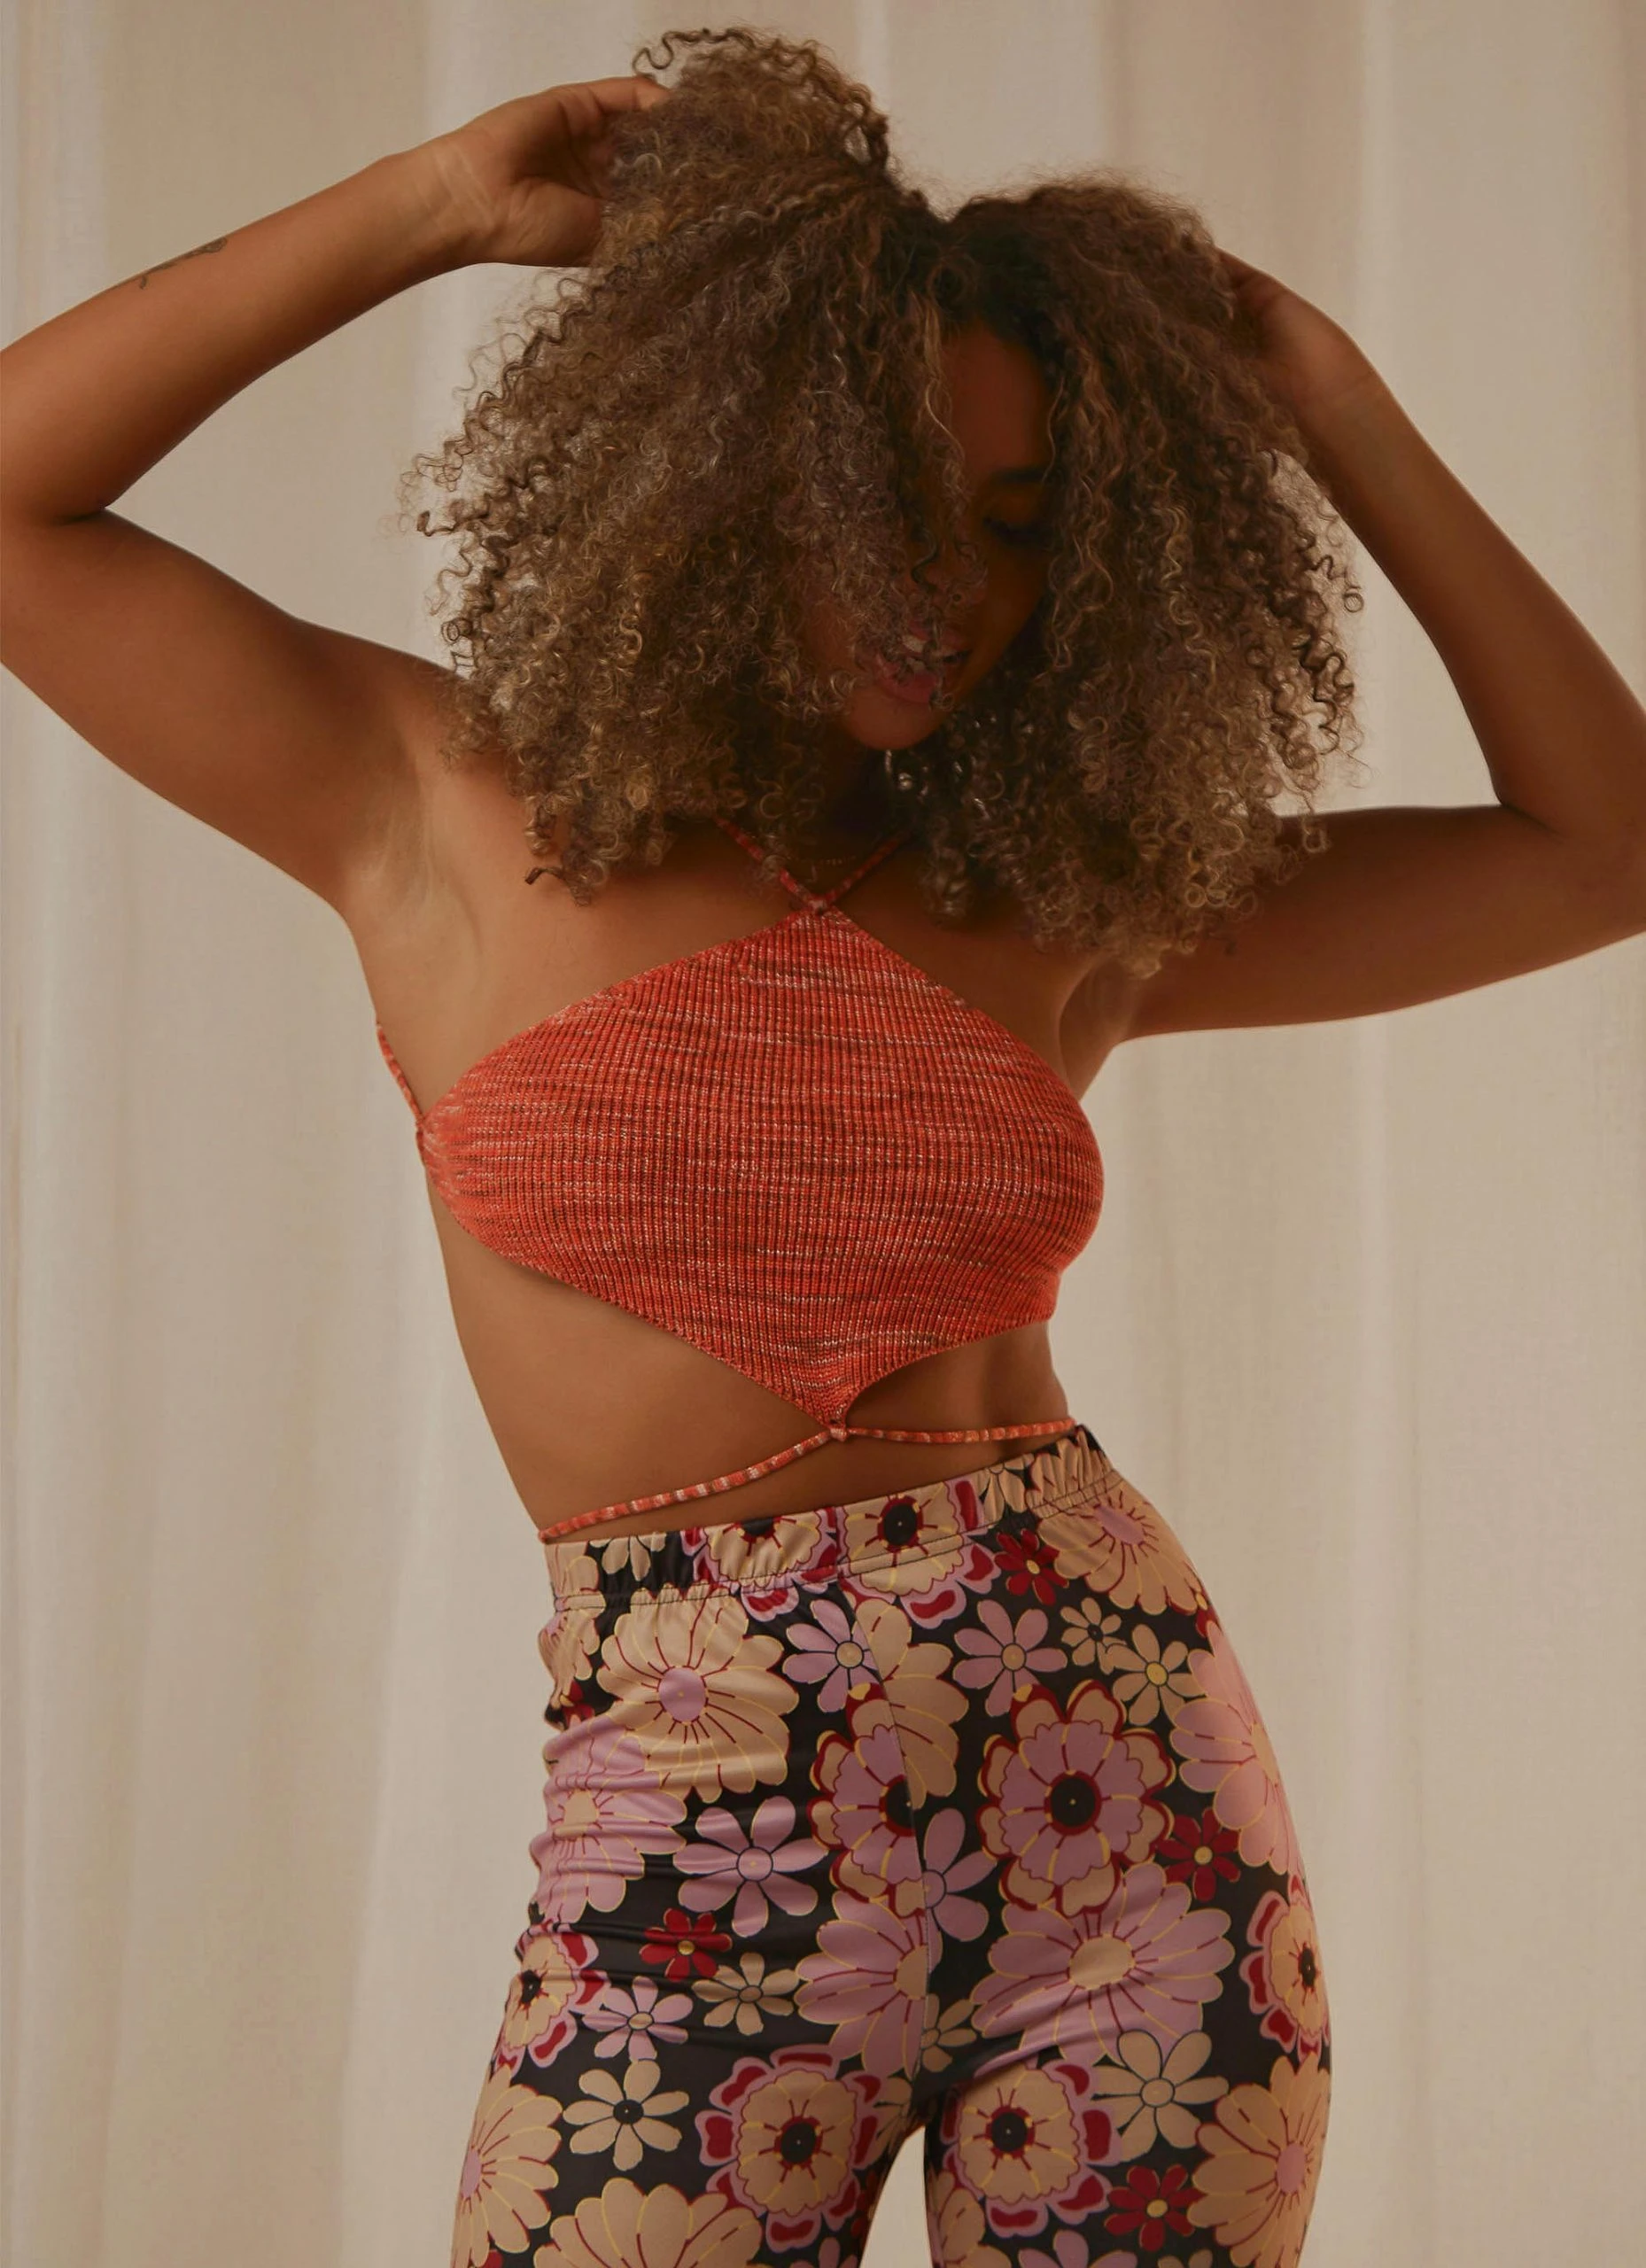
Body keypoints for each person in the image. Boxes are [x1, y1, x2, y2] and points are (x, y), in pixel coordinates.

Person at [4, 24, 1642, 2268]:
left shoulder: (1062, 898)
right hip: (687, 1850)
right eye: (878, 495)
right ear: (717, 476)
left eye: (1013, 522)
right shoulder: (438, 806)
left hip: (1133, 1838)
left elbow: (1600, 844)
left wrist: (1334, 401)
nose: (939, 583)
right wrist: (439, 207)